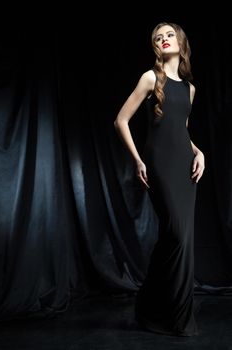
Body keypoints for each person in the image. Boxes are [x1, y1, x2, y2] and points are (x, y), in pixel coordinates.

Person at [114, 22, 205, 337]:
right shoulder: (151, 78)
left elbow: (181, 130)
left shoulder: (190, 88)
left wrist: (200, 152)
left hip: (185, 167)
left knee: (178, 240)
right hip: (160, 166)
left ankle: (155, 309)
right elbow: (121, 120)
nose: (164, 39)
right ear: (155, 47)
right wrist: (138, 159)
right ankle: (168, 313)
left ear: (181, 41)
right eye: (158, 37)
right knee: (177, 236)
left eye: (169, 35)